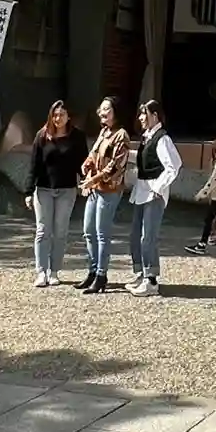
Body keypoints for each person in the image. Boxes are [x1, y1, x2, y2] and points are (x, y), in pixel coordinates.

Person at [24, 101, 88, 288]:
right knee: (43, 230)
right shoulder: (42, 135)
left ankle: (54, 271)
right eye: (55, 115)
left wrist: (87, 181)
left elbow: (83, 163)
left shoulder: (77, 137)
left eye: (61, 114)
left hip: (66, 190)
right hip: (44, 189)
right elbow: (34, 165)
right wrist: (28, 191)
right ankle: (41, 271)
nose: (58, 118)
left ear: (68, 116)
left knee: (60, 231)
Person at [127, 101, 182, 297]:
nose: (141, 118)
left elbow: (174, 165)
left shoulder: (162, 138)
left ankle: (151, 280)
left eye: (144, 114)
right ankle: (141, 273)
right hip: (141, 191)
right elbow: (146, 158)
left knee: (148, 236)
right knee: (135, 235)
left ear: (155, 115)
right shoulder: (147, 137)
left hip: (153, 193)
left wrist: (159, 188)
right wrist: (125, 154)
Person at [78, 97, 131, 294]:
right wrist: (87, 164)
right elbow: (94, 153)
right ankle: (92, 271)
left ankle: (101, 275)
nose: (102, 112)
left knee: (102, 234)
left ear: (116, 111)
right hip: (95, 187)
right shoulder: (104, 132)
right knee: (88, 231)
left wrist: (94, 179)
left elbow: (115, 167)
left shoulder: (121, 135)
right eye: (101, 109)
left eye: (106, 109)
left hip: (109, 189)